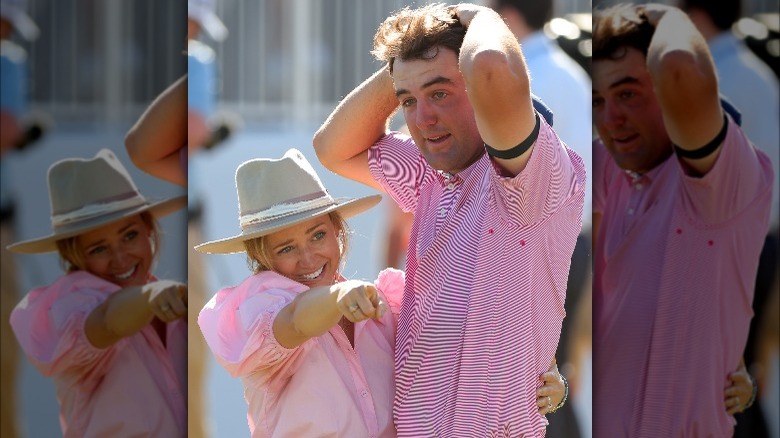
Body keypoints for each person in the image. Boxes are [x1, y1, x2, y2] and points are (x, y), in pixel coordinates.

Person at [313, 3, 585, 436]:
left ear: (480, 93)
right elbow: (332, 147)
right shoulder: (430, 174)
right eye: (408, 101)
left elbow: (493, 67)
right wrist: (407, 65)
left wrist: (478, 17)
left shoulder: (531, 180)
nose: (422, 119)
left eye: (440, 93)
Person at [195, 149, 567, 436]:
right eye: (286, 248)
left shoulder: (382, 303)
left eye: (318, 235)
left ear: (338, 231)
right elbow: (294, 320)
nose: (308, 257)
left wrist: (543, 374)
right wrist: (338, 298)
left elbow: (468, 331)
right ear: (261, 257)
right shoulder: (260, 304)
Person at [591, 4, 774, 436]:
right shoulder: (615, 169)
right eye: (599, 100)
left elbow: (679, 67)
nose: (611, 118)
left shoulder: (720, 181)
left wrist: (659, 18)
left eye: (630, 92)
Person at [6, 149, 188, 437]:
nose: (120, 258)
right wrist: (152, 295)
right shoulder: (73, 306)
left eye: (129, 235)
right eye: (98, 248)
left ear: (149, 230)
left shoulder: (174, 303)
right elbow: (107, 319)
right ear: (74, 256)